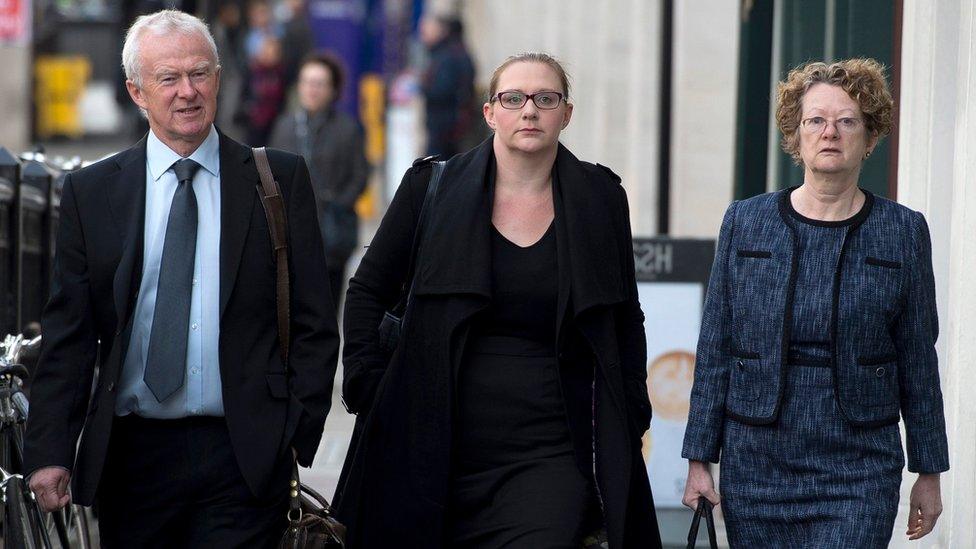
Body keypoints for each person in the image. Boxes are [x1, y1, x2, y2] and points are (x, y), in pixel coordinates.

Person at [23, 10, 339, 548]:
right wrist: (51, 450)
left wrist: (292, 434)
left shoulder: (278, 180)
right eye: (168, 78)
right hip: (133, 460)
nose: (187, 92)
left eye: (200, 74)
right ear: (137, 91)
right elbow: (70, 333)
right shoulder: (91, 193)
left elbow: (314, 318)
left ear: (219, 79)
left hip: (244, 456)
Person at [335, 52, 662, 549]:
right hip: (431, 440)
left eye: (545, 99)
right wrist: (371, 388)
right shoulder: (431, 188)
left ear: (565, 114)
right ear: (491, 112)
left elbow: (624, 316)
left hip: (550, 451)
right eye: (514, 98)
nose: (529, 110)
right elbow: (367, 290)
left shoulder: (600, 198)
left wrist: (632, 410)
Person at [681, 58, 949, 548]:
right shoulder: (746, 222)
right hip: (757, 457)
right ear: (795, 133)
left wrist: (928, 469)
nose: (831, 132)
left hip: (860, 462)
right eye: (816, 120)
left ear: (870, 137)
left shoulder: (903, 230)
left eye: (848, 121)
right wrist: (699, 458)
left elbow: (917, 354)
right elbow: (716, 343)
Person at [270, 52, 369, 313]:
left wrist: (338, 203)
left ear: (333, 89)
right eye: (307, 82)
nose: (312, 89)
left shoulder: (347, 129)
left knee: (325, 308)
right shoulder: (285, 126)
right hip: (289, 234)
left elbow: (360, 174)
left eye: (319, 83)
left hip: (331, 236)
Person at [419, 14, 475, 159]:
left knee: (438, 165)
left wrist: (422, 87)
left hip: (445, 125)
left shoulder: (448, 56)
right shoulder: (445, 53)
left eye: (427, 31)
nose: (422, 36)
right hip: (447, 124)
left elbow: (441, 90)